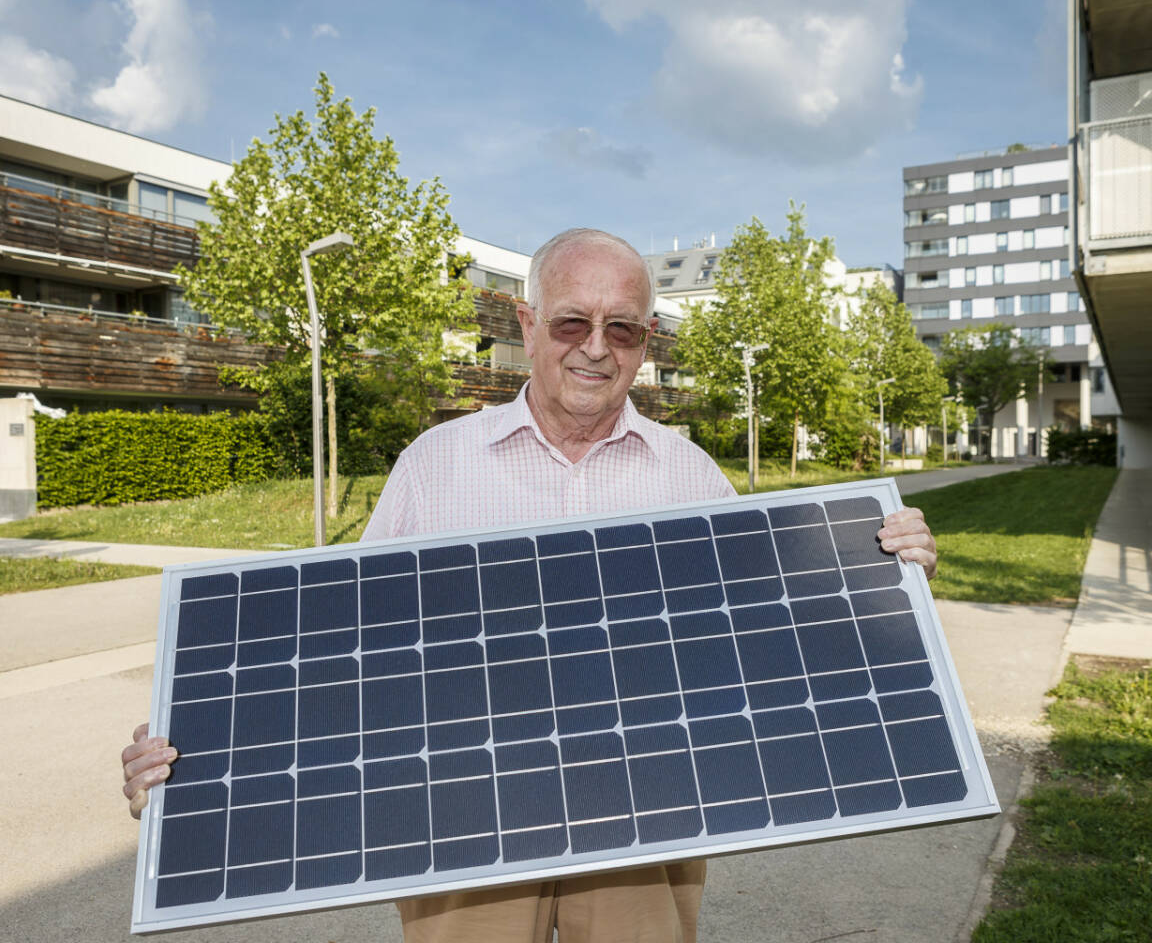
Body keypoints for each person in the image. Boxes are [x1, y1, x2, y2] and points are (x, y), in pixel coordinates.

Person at [121, 227, 939, 943]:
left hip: (646, 814)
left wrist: (881, 570)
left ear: (646, 339)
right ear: (526, 324)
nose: (595, 347)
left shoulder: (692, 479)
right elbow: (341, 656)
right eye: (572, 322)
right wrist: (189, 766)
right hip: (459, 815)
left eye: (621, 328)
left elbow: (768, 641)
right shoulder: (435, 468)